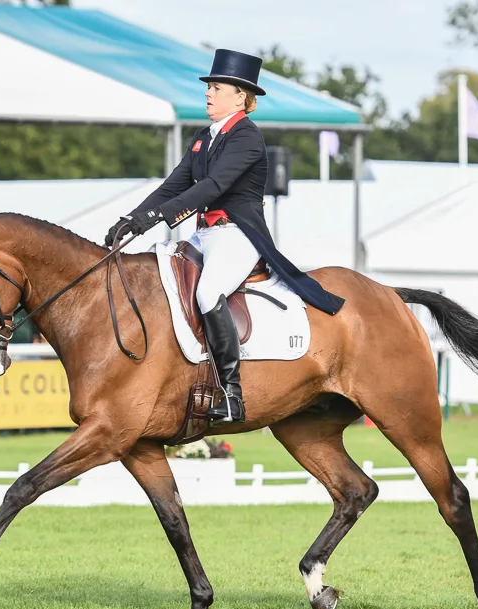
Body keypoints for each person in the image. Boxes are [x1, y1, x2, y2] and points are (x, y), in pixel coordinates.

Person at [104, 49, 344, 424]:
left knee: (207, 292)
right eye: (209, 87)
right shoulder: (204, 138)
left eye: (216, 87)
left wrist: (157, 216)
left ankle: (231, 392)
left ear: (240, 96)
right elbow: (174, 186)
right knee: (159, 275)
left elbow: (214, 187)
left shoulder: (247, 137)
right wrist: (133, 221)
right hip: (205, 235)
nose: (208, 93)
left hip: (238, 234)